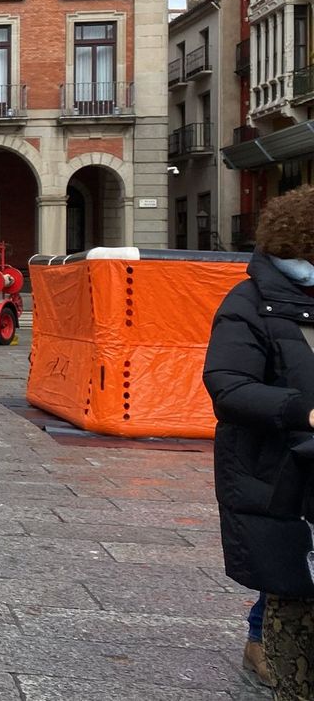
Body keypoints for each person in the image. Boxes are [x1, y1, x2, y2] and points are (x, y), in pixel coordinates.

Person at [202, 185, 314, 699]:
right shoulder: (249, 302)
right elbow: (228, 385)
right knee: (289, 570)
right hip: (277, 465)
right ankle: (261, 642)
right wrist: (301, 410)